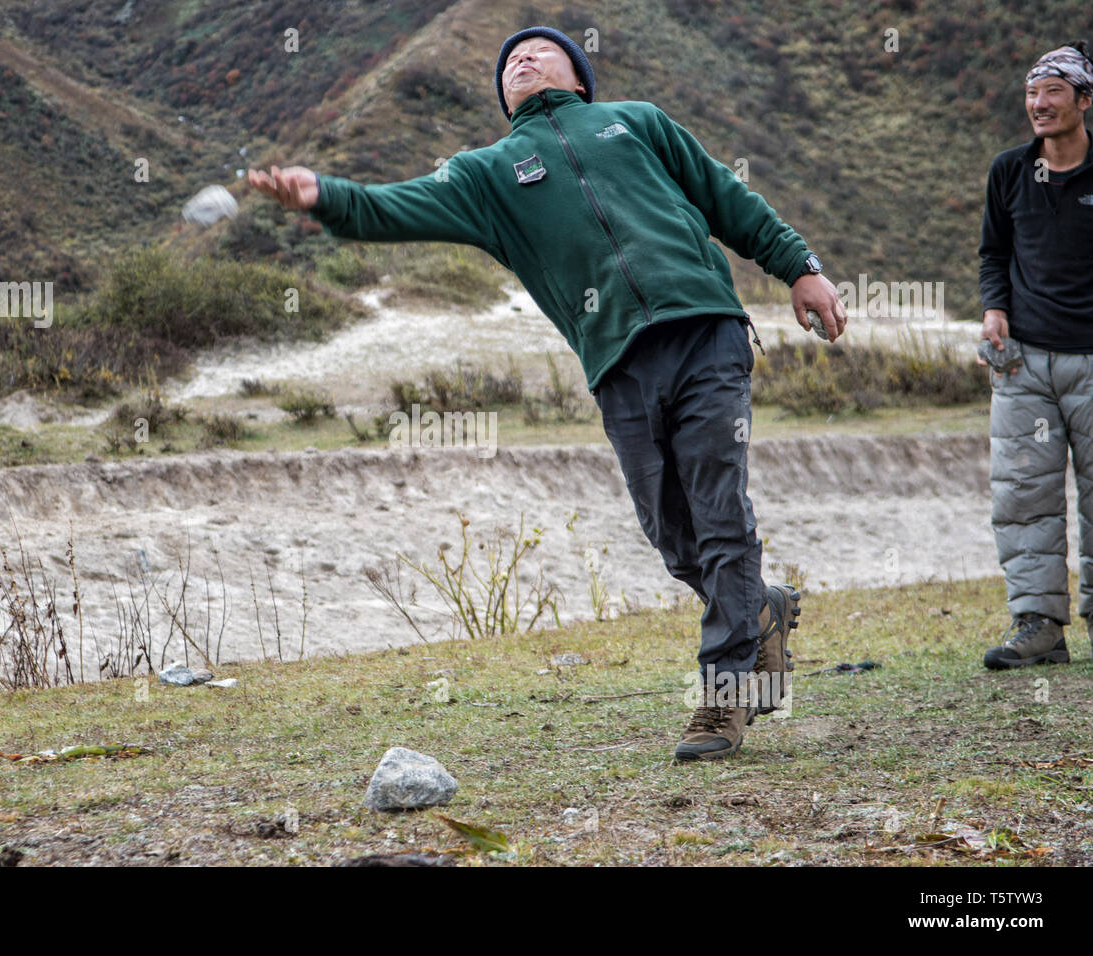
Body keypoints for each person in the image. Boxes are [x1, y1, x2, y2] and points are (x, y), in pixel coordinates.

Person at [249, 26, 845, 760]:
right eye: (508, 61)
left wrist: (800, 266)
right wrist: (325, 196)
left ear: (580, 75)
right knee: (669, 530)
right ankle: (760, 609)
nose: (521, 58)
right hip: (617, 362)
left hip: (706, 333)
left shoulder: (640, 122)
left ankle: (724, 701)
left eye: (540, 50)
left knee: (720, 511)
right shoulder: (487, 174)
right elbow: (395, 207)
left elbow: (730, 200)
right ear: (502, 95)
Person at [978, 41, 1093, 670]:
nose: (1038, 104)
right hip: (1022, 364)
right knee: (1023, 494)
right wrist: (994, 309)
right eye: (1030, 93)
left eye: (1052, 91)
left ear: (1083, 100)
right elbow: (993, 253)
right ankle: (1040, 623)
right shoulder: (1010, 171)